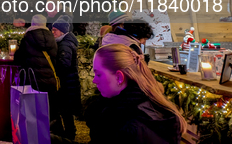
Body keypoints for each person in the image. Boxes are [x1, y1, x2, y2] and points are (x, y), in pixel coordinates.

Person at [52, 43, 186, 143]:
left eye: (98, 74)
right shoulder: (133, 106)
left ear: (119, 77)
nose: (94, 80)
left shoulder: (128, 126)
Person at [51, 16, 81, 141]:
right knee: (66, 111)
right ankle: (69, 133)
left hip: (67, 84)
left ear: (62, 31)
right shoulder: (64, 42)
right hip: (69, 83)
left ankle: (69, 135)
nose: (52, 32)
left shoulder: (65, 45)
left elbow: (64, 64)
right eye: (52, 30)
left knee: (66, 111)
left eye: (55, 30)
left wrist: (54, 67)